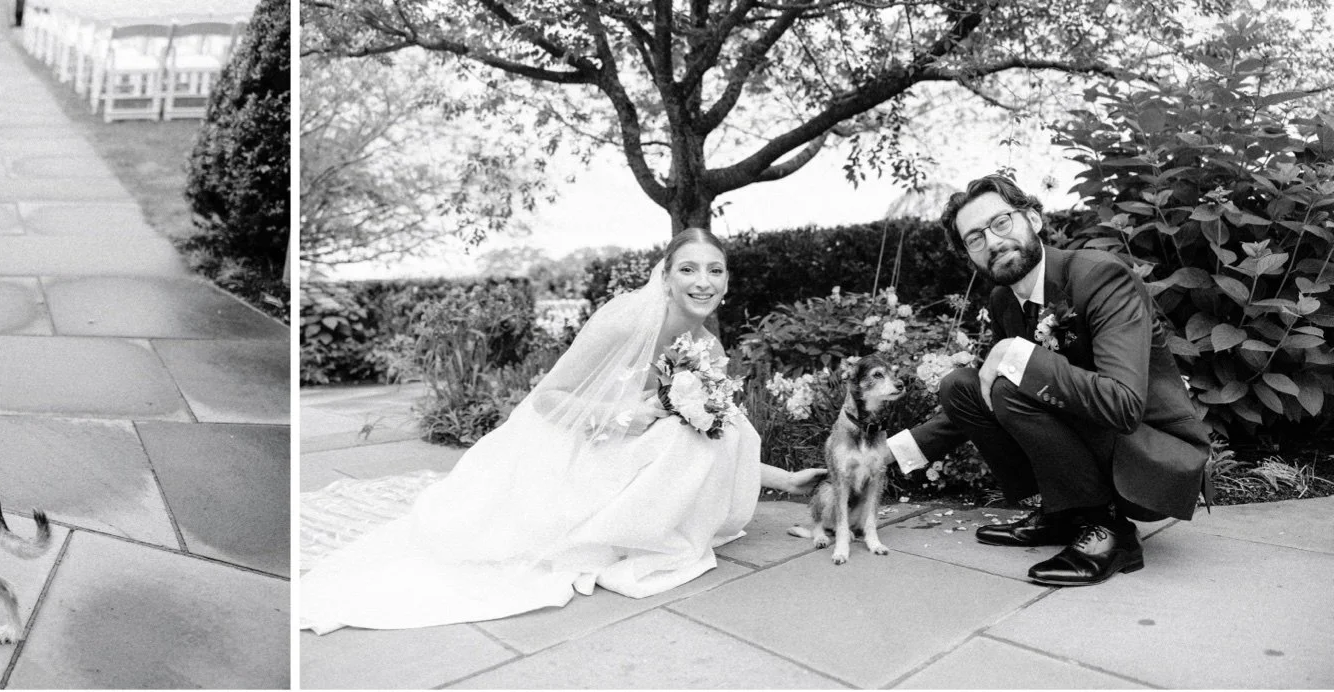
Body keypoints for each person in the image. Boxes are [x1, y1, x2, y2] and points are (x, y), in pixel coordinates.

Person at [300, 228, 826, 633]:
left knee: (724, 423)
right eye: (688, 269)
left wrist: (784, 480)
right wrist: (626, 417)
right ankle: (618, 531)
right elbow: (548, 399)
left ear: (727, 281)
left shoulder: (707, 347)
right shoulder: (627, 320)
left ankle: (638, 527)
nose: (702, 282)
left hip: (630, 462)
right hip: (568, 450)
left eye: (715, 270)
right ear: (665, 276)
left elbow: (717, 443)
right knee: (673, 432)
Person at [887, 174, 1208, 586]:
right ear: (969, 256)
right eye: (975, 239)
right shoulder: (1004, 300)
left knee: (1011, 382)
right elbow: (986, 398)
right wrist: (885, 455)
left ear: (1034, 219)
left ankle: (1111, 532)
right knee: (961, 387)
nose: (993, 242)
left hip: (1152, 454)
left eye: (1000, 222)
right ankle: (1063, 514)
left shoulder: (1100, 276)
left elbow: (1124, 405)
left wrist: (1016, 354)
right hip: (1097, 435)